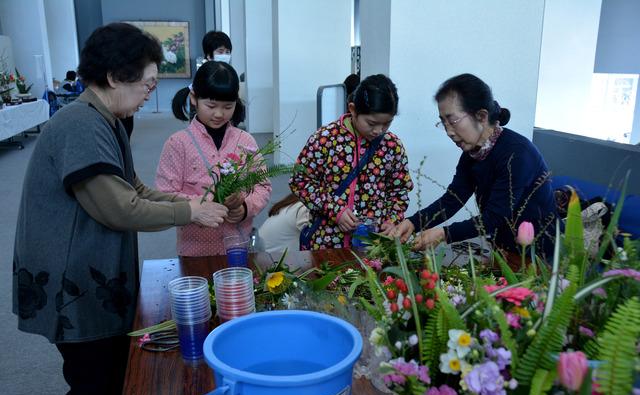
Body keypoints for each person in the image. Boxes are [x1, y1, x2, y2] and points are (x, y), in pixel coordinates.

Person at [12, 23, 229, 395]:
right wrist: (189, 212)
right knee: (92, 389)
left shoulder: (107, 120)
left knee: (110, 380)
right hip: (72, 286)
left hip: (90, 278)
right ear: (114, 77)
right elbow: (120, 208)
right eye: (147, 85)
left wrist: (190, 203)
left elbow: (136, 189)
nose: (150, 94)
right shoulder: (80, 124)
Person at [386, 73, 558, 261]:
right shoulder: (472, 154)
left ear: (482, 116)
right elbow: (453, 200)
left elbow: (495, 217)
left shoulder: (517, 154)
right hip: (504, 249)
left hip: (538, 254)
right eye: (443, 122)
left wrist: (445, 233)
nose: (449, 132)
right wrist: (413, 222)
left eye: (453, 121)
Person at [156, 60, 271, 256]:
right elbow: (164, 194)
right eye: (211, 105)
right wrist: (209, 201)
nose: (219, 113)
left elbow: (263, 187)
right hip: (195, 251)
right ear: (194, 98)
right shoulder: (178, 143)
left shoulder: (246, 140)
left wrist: (244, 207)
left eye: (228, 106)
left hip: (238, 247)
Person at [290, 74, 414, 250]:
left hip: (374, 244)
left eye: (387, 124)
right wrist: (335, 210)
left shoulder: (391, 146)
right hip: (328, 244)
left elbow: (399, 189)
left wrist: (392, 220)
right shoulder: (326, 139)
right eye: (371, 123)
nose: (378, 131)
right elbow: (300, 181)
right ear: (353, 109)